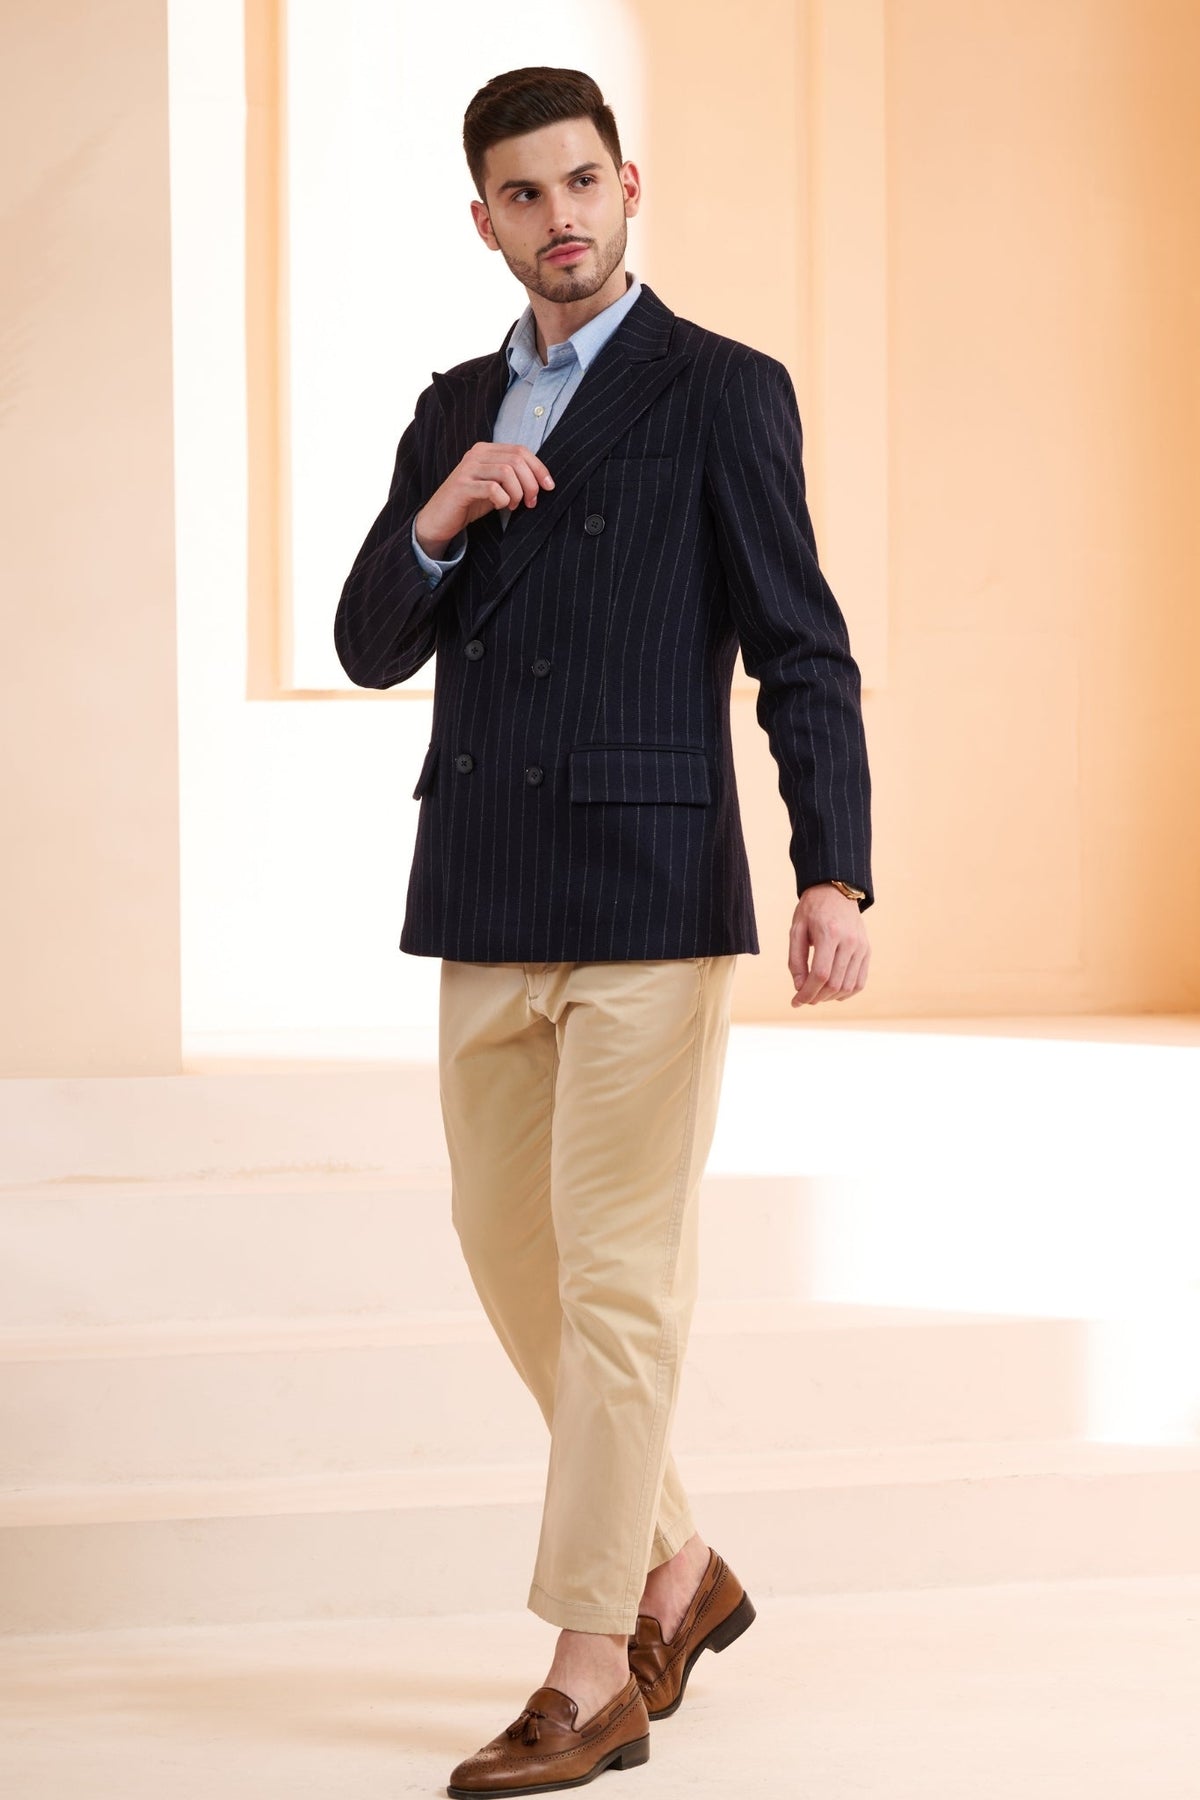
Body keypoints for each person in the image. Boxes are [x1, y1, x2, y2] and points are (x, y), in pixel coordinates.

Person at [334, 63, 874, 1798]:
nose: (558, 218)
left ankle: (591, 1670)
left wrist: (834, 869)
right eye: (524, 193)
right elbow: (367, 643)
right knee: (513, 1259)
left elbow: (802, 645)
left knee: (620, 1280)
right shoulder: (452, 407)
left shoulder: (721, 390)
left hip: (649, 891)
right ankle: (680, 1567)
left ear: (629, 187)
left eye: (582, 182)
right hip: (486, 887)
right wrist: (441, 515)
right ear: (484, 219)